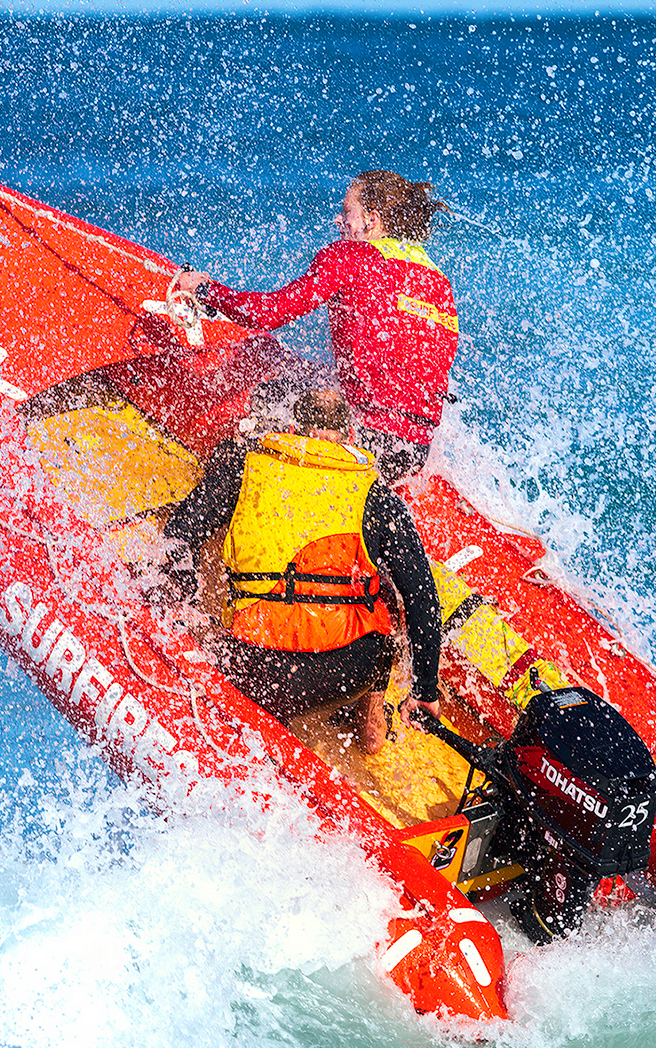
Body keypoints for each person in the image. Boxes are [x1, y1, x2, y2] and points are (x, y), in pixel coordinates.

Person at [149, 389, 442, 749]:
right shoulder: (379, 497)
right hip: (337, 677)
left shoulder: (246, 464)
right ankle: (372, 722)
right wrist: (426, 688)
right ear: (350, 438)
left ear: (291, 429)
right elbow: (424, 601)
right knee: (382, 600)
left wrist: (182, 603)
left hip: (249, 666)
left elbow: (178, 536)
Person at [177, 171, 458, 481]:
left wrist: (205, 290)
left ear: (372, 220)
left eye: (346, 211)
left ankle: (232, 474)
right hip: (413, 451)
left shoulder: (350, 256)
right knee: (292, 378)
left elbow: (268, 314)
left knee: (255, 422)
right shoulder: (438, 280)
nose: (338, 220)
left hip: (364, 440)